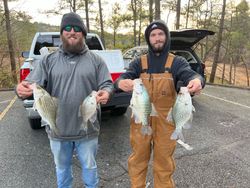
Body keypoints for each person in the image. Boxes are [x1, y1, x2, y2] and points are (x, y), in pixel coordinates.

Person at [16, 12, 113, 188]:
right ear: (61, 33)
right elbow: (29, 84)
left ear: (83, 33)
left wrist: (106, 92)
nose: (72, 32)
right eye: (67, 28)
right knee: (62, 169)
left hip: (87, 129)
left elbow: (107, 84)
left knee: (90, 168)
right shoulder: (48, 60)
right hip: (58, 130)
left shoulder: (96, 60)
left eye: (77, 28)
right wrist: (20, 89)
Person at [114, 20, 204, 188]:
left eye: (161, 34)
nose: (157, 38)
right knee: (138, 161)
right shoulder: (138, 63)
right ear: (149, 39)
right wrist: (120, 83)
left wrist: (197, 81)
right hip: (141, 119)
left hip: (167, 123)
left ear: (166, 37)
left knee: (164, 164)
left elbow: (192, 76)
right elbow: (121, 79)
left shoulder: (177, 62)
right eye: (153, 35)